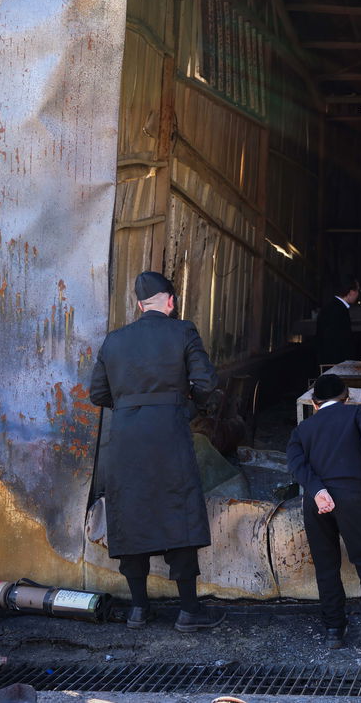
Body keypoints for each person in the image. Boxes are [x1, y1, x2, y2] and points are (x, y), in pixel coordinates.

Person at [88, 271, 226, 632]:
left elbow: (97, 394)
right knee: (177, 512)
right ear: (171, 301)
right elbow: (206, 383)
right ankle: (189, 611)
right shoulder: (183, 331)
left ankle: (138, 609)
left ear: (138, 304)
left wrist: (131, 405)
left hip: (126, 441)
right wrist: (187, 406)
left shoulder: (114, 341)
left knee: (130, 515)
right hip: (169, 437)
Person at [286, 374, 361, 654]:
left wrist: (317, 491)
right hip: (351, 496)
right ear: (346, 397)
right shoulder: (357, 413)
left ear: (314, 404)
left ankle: (333, 631)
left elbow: (295, 463)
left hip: (316, 502)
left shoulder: (303, 429)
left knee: (326, 565)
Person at [315, 277, 360, 367]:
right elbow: (342, 341)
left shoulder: (330, 306)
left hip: (327, 362)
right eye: (358, 290)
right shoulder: (339, 310)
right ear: (352, 292)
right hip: (336, 364)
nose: (358, 294)